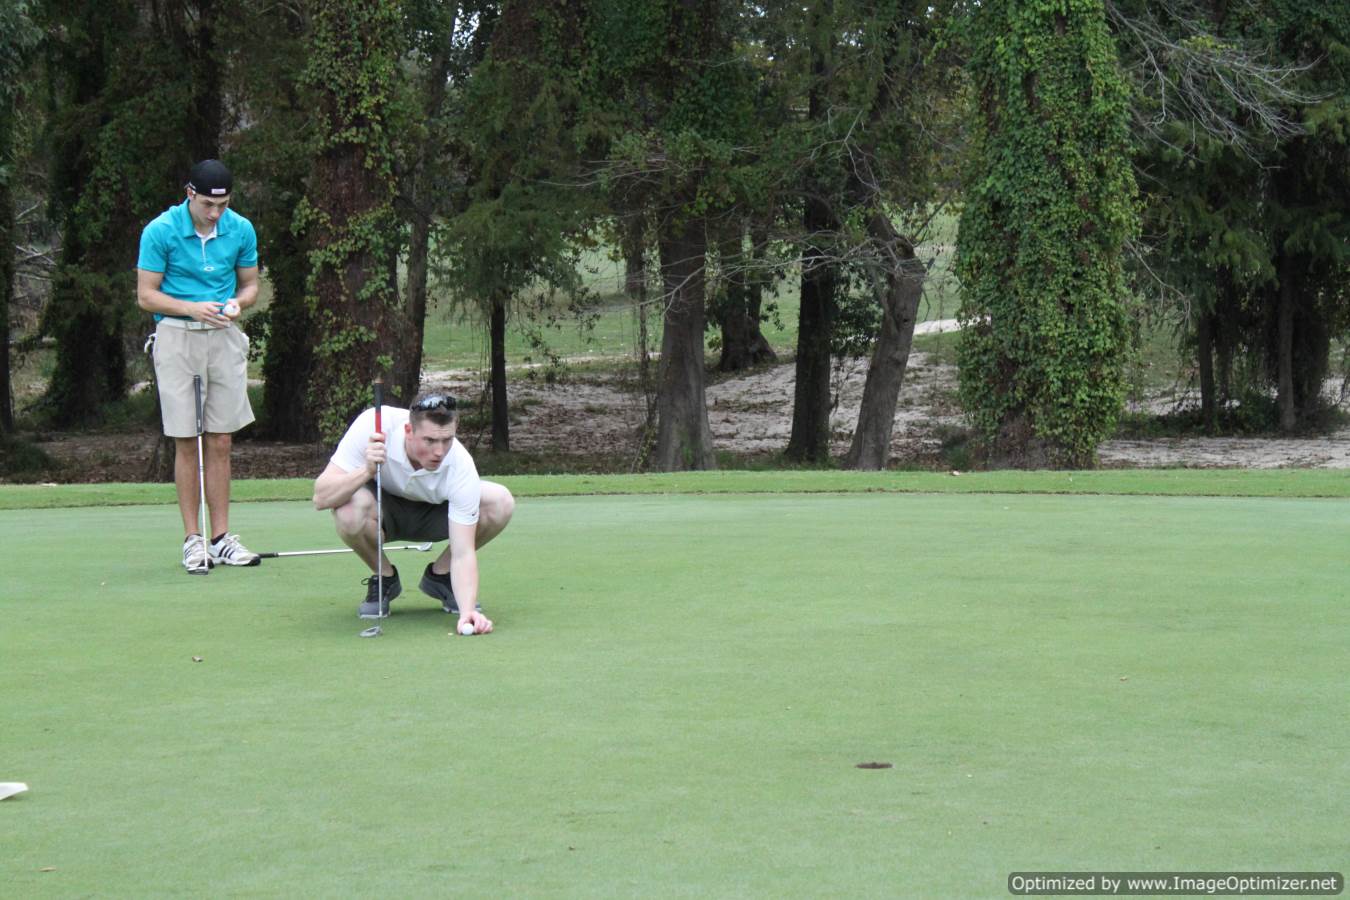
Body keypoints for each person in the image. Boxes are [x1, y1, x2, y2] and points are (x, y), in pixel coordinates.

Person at [137, 159, 261, 573]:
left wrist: (237, 303)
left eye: (223, 205)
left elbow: (250, 285)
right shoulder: (161, 231)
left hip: (223, 337)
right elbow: (147, 296)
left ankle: (223, 537)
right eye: (208, 204)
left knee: (221, 440)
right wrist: (192, 308)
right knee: (186, 439)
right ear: (190, 194)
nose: (215, 213)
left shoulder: (240, 229)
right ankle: (193, 540)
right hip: (176, 337)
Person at [313, 393, 514, 634]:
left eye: (447, 440)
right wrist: (366, 470)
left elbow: (463, 552)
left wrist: (467, 611)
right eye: (429, 440)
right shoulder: (374, 426)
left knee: (500, 501)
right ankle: (384, 576)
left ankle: (441, 576)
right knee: (348, 511)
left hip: (435, 515)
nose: (439, 451)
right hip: (383, 512)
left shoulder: (460, 464)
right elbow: (321, 498)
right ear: (409, 430)